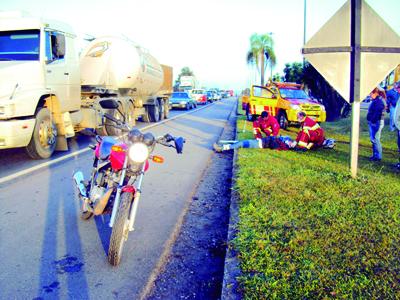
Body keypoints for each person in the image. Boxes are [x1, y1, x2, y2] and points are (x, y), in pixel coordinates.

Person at [213, 135, 335, 152]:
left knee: (241, 143)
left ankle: (222, 148)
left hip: (260, 143)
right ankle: (224, 146)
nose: (293, 142)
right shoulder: (287, 141)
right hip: (260, 141)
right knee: (240, 142)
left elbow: (273, 144)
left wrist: (276, 139)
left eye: (293, 143)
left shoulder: (283, 145)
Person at [367, 87, 386, 161]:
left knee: (375, 139)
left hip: (376, 122)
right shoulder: (377, 100)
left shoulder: (379, 101)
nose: (370, 95)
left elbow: (377, 113)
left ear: (375, 93)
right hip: (375, 122)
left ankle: (378, 156)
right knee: (374, 139)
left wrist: (372, 121)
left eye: (371, 93)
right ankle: (375, 155)